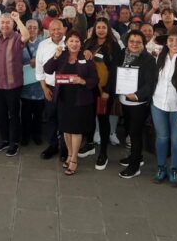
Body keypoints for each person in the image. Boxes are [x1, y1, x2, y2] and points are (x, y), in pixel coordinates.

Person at [140, 26, 177, 181]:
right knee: (161, 138)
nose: (174, 43)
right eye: (171, 40)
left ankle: (174, 169)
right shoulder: (159, 57)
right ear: (166, 42)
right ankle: (161, 167)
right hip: (158, 104)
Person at [43, 30, 99, 175]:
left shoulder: (86, 57)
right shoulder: (61, 55)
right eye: (71, 41)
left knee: (76, 130)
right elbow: (47, 69)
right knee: (66, 130)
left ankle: (74, 159)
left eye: (77, 41)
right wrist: (55, 56)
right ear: (66, 42)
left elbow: (95, 79)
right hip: (63, 99)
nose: (74, 44)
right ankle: (69, 154)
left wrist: (82, 81)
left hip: (80, 100)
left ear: (81, 44)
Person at [105, 30, 157, 178]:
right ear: (127, 42)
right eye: (132, 41)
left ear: (144, 44)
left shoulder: (148, 59)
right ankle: (136, 157)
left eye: (138, 42)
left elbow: (150, 83)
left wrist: (137, 95)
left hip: (138, 103)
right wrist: (111, 90)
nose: (134, 44)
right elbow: (114, 73)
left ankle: (134, 167)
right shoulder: (121, 54)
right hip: (124, 99)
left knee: (135, 134)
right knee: (129, 130)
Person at [83, 18, 122, 169]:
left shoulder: (114, 45)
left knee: (103, 119)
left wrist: (107, 90)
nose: (100, 30)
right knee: (89, 117)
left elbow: (115, 70)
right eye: (98, 27)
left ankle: (103, 153)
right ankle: (89, 144)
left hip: (104, 90)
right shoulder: (89, 43)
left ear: (108, 29)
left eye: (103, 27)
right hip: (88, 88)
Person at [0, 12, 30, 157]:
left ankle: (14, 142)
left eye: (8, 22)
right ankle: (5, 140)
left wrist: (18, 19)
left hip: (13, 85)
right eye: (2, 22)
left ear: (12, 25)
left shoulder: (17, 37)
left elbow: (27, 36)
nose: (5, 25)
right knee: (1, 114)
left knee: (13, 115)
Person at [35, 19, 67, 160]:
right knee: (50, 117)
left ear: (64, 29)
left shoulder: (70, 43)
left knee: (64, 119)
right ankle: (53, 145)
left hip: (66, 88)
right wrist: (44, 88)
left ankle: (65, 148)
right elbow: (39, 69)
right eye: (53, 29)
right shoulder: (43, 45)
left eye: (59, 29)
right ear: (49, 30)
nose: (56, 32)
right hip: (50, 88)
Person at [20, 19, 44, 147]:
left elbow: (48, 60)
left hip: (39, 85)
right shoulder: (20, 42)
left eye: (35, 27)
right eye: (29, 27)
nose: (32, 30)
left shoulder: (43, 43)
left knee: (38, 112)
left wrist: (38, 62)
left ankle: (37, 135)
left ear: (38, 29)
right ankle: (25, 135)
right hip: (25, 83)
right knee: (25, 112)